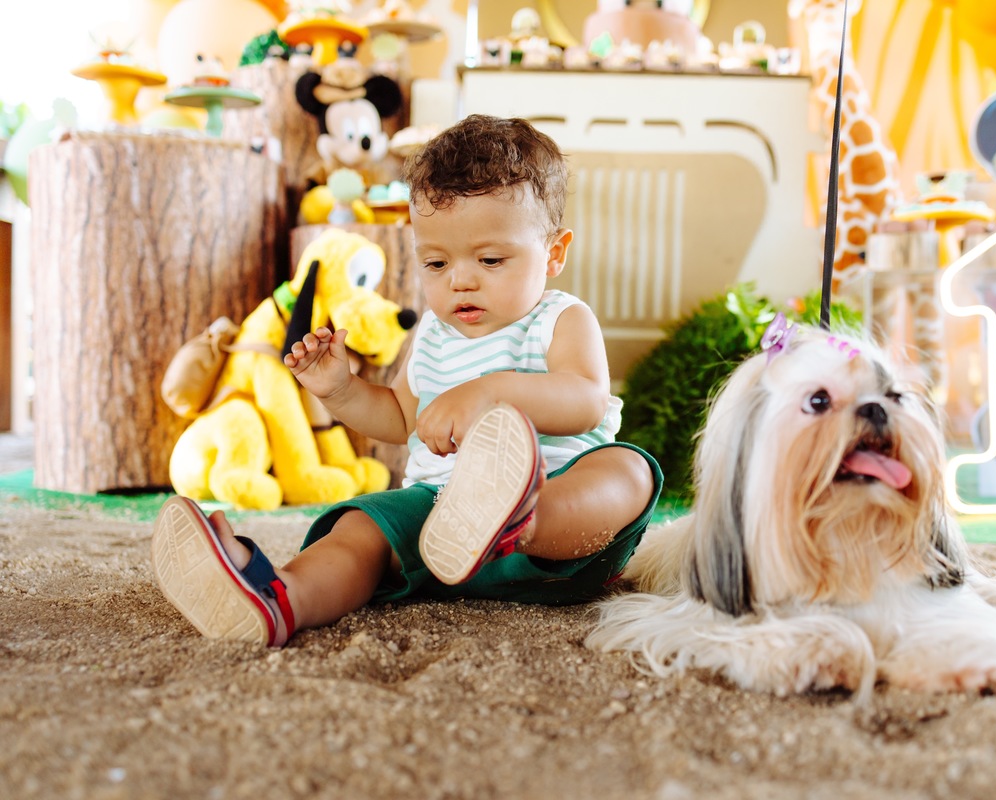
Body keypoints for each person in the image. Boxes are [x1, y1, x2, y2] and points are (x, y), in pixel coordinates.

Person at [150, 115, 663, 647]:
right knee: (362, 528)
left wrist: (489, 391)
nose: (461, 278)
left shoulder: (560, 319)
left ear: (554, 252)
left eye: (490, 259)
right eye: (436, 262)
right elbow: (400, 418)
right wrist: (340, 390)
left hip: (558, 533)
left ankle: (514, 520)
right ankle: (279, 596)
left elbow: (585, 401)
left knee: (628, 469)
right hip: (439, 523)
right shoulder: (434, 336)